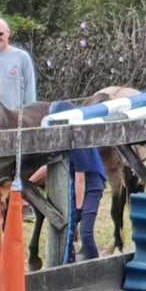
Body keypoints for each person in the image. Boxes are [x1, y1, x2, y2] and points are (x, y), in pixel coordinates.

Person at [28, 100, 107, 261]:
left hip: (92, 183)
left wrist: (77, 210)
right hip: (75, 182)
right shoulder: (60, 139)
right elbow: (50, 166)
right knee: (67, 231)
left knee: (85, 231)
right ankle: (69, 262)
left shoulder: (77, 138)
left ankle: (95, 265)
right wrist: (28, 182)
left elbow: (80, 179)